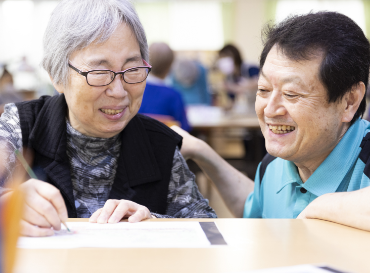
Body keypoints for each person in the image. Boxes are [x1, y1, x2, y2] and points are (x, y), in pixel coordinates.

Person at [0, 0, 216, 237]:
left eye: (132, 70)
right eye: (100, 72)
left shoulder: (159, 145)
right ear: (57, 75)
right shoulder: (20, 126)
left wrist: (154, 220)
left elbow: (208, 228)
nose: (119, 91)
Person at [172, 12, 370, 231]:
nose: (270, 109)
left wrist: (320, 208)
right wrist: (202, 152)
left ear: (349, 102)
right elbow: (254, 214)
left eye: (292, 93)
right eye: (263, 90)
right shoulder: (273, 165)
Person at [139, 42, 190, 131]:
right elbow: (184, 128)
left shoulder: (136, 91)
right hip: (167, 143)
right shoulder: (174, 96)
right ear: (170, 66)